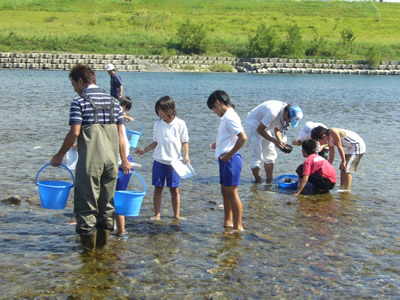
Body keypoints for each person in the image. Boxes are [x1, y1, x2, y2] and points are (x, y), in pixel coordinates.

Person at [50, 64, 131, 252]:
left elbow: (75, 132)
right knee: (107, 204)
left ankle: (88, 253)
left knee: (87, 204)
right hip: (112, 162)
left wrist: (60, 154)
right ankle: (102, 249)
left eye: (74, 84)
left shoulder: (79, 102)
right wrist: (124, 159)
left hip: (90, 163)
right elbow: (121, 134)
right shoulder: (114, 102)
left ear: (80, 80)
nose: (74, 89)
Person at [135, 96, 189, 220]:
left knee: (174, 189)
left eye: (162, 110)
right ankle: (157, 214)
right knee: (158, 188)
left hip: (175, 162)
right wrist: (144, 150)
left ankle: (176, 215)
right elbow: (155, 142)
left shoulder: (180, 123)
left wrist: (186, 155)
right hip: (159, 160)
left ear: (170, 109)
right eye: (158, 111)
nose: (160, 113)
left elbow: (184, 141)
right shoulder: (157, 124)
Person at [207, 90, 247, 232]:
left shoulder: (230, 117)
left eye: (213, 108)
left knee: (232, 192)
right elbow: (230, 138)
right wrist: (217, 144)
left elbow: (243, 138)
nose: (214, 112)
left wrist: (229, 155)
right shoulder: (225, 117)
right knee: (225, 191)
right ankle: (227, 222)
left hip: (231, 160)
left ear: (218, 103)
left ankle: (238, 226)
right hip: (224, 159)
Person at [245, 100, 303, 183]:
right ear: (286, 114)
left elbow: (277, 129)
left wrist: (281, 142)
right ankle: (258, 183)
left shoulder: (287, 110)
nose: (289, 122)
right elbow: (260, 129)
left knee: (270, 154)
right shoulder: (273, 112)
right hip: (253, 123)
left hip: (265, 126)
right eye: (289, 120)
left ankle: (269, 182)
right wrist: (275, 142)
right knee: (257, 155)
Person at [311, 126, 366, 191]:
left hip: (357, 145)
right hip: (350, 147)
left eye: (318, 140)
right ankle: (342, 188)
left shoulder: (333, 132)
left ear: (323, 136)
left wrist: (343, 161)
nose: (320, 143)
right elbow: (331, 156)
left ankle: (347, 190)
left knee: (347, 168)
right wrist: (327, 167)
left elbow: (339, 147)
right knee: (342, 168)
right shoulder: (329, 140)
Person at [115, 96, 135, 237]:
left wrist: (124, 160)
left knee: (118, 197)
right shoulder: (118, 119)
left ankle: (121, 232)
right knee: (115, 197)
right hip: (120, 160)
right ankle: (119, 230)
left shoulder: (118, 121)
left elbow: (121, 140)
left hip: (122, 162)